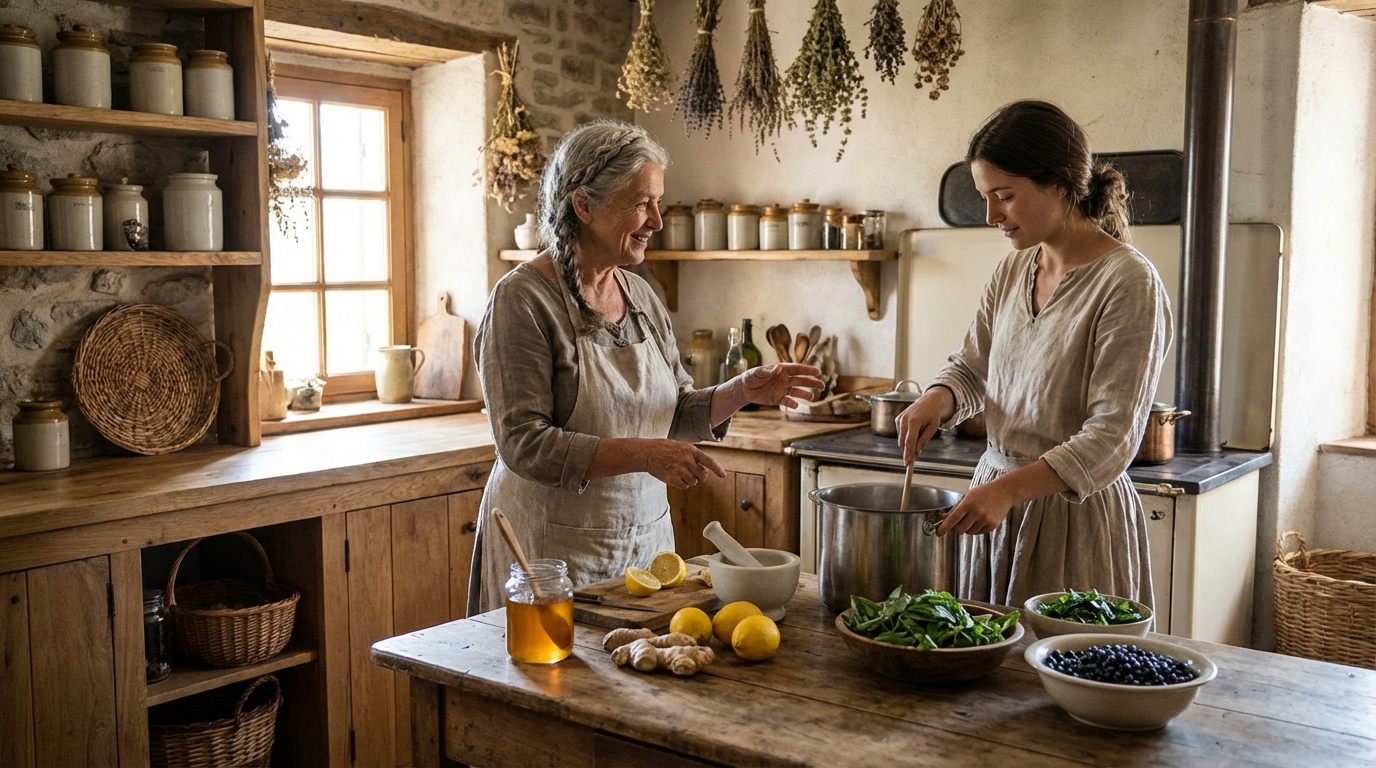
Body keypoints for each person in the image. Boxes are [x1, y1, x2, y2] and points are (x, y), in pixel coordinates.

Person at [469, 120, 823, 614]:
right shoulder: (522, 300)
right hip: (550, 557)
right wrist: (645, 455)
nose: (656, 220)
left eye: (657, 201)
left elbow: (673, 412)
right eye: (642, 203)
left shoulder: (639, 294)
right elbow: (524, 445)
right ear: (584, 206)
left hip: (645, 548)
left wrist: (742, 390)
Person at [895, 100, 1173, 609]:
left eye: (1004, 196)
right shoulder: (1013, 270)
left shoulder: (1129, 282)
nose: (990, 215)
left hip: (1072, 520)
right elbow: (973, 366)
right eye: (984, 197)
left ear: (1062, 186)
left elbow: (1112, 437)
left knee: (1059, 678)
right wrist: (937, 397)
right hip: (995, 506)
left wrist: (1009, 491)